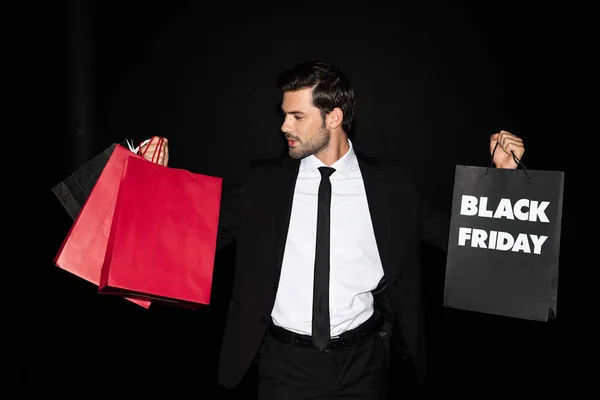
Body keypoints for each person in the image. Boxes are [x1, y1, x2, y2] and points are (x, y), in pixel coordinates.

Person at [139, 60, 525, 399]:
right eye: (284, 114)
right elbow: (191, 238)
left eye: (297, 116)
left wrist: (502, 183)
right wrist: (150, 184)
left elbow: (464, 239)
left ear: (334, 117)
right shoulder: (262, 185)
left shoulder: (393, 185)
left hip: (364, 366)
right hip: (284, 367)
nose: (284, 125)